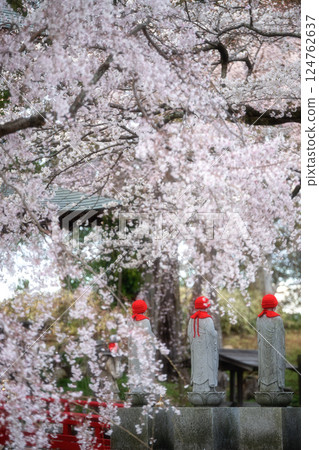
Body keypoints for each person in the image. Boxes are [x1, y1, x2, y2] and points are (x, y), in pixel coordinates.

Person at [187, 296, 218, 393]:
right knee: (207, 365)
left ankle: (197, 386)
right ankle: (207, 386)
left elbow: (189, 334)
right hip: (206, 348)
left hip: (196, 347)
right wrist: (215, 334)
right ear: (207, 306)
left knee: (197, 365)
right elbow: (212, 334)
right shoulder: (208, 319)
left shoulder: (192, 319)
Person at [256, 294, 285, 392]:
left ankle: (264, 386)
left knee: (264, 369)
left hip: (263, 354)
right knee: (276, 367)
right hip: (275, 354)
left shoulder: (259, 319)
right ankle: (277, 385)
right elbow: (281, 342)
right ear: (274, 305)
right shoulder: (277, 319)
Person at [128, 299, 156, 394]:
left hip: (133, 349)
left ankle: (135, 388)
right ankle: (144, 389)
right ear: (144, 309)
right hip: (143, 350)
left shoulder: (130, 321)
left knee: (135, 368)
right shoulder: (145, 321)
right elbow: (148, 335)